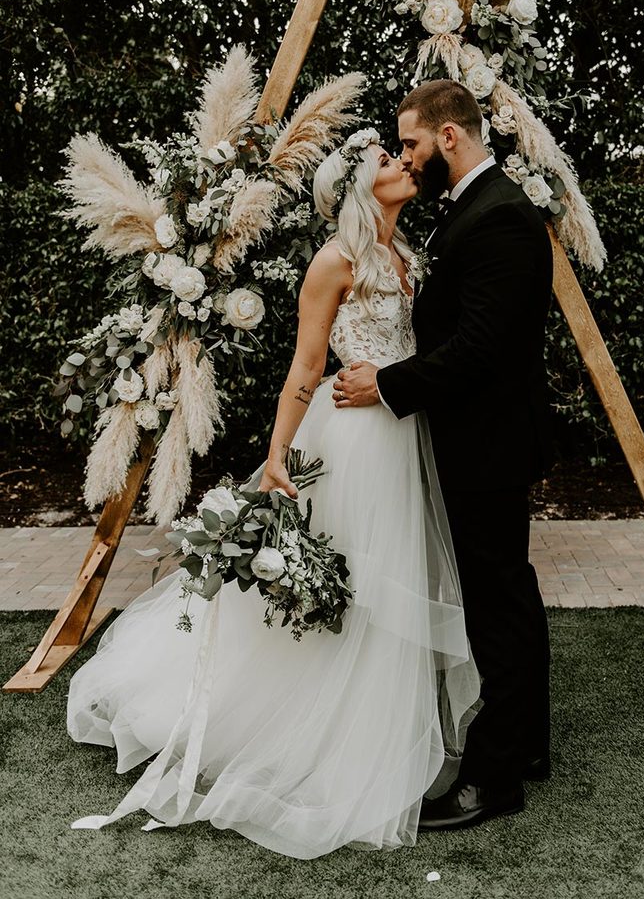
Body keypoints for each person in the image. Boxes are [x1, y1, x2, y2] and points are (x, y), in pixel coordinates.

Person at [66, 128, 480, 859]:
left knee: (388, 579)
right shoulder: (334, 261)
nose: (405, 163)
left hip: (400, 435)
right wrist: (278, 453)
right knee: (354, 582)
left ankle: (377, 720)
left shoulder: (403, 252)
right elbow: (306, 364)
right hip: (352, 442)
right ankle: (323, 733)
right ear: (358, 182)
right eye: (388, 159)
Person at [334, 81, 554, 832]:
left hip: (487, 442)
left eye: (413, 145)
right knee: (503, 593)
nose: (407, 158)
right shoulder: (468, 211)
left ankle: (494, 778)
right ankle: (522, 744)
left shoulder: (501, 220)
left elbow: (479, 350)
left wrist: (385, 385)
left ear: (450, 138)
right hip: (473, 437)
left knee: (497, 600)